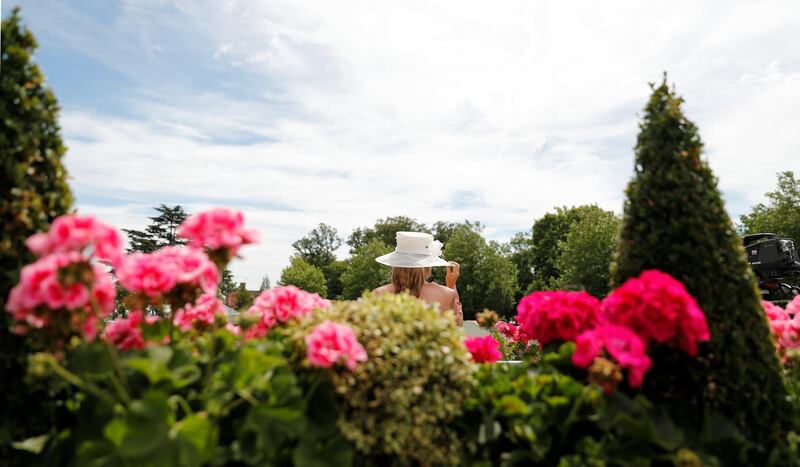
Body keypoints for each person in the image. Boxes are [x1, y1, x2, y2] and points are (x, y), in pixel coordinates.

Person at [372, 232, 463, 326]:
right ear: (428, 266)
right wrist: (451, 286)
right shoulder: (446, 294)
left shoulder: (378, 293)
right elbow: (457, 325)